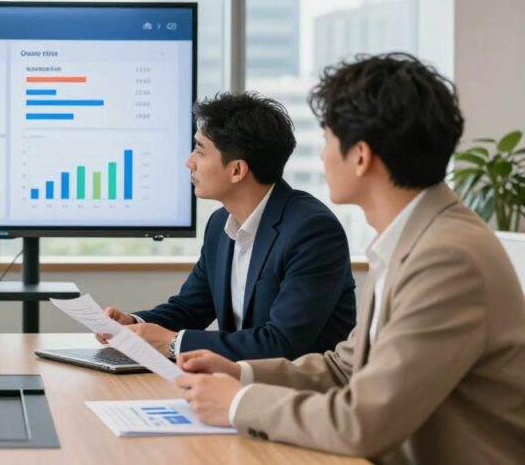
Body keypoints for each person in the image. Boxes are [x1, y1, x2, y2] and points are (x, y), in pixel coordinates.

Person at [176, 53, 525, 464]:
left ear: (360, 156)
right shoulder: (410, 238)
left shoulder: (446, 258)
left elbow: (365, 423)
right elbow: (346, 368)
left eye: (326, 140)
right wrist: (240, 373)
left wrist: (237, 403)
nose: (322, 156)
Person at [101, 92, 356, 361]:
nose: (190, 162)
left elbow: (282, 343)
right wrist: (133, 324)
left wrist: (174, 343)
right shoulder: (220, 224)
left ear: (237, 170)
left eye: (200, 151)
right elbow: (190, 308)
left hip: (297, 385)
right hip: (238, 380)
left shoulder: (312, 231)